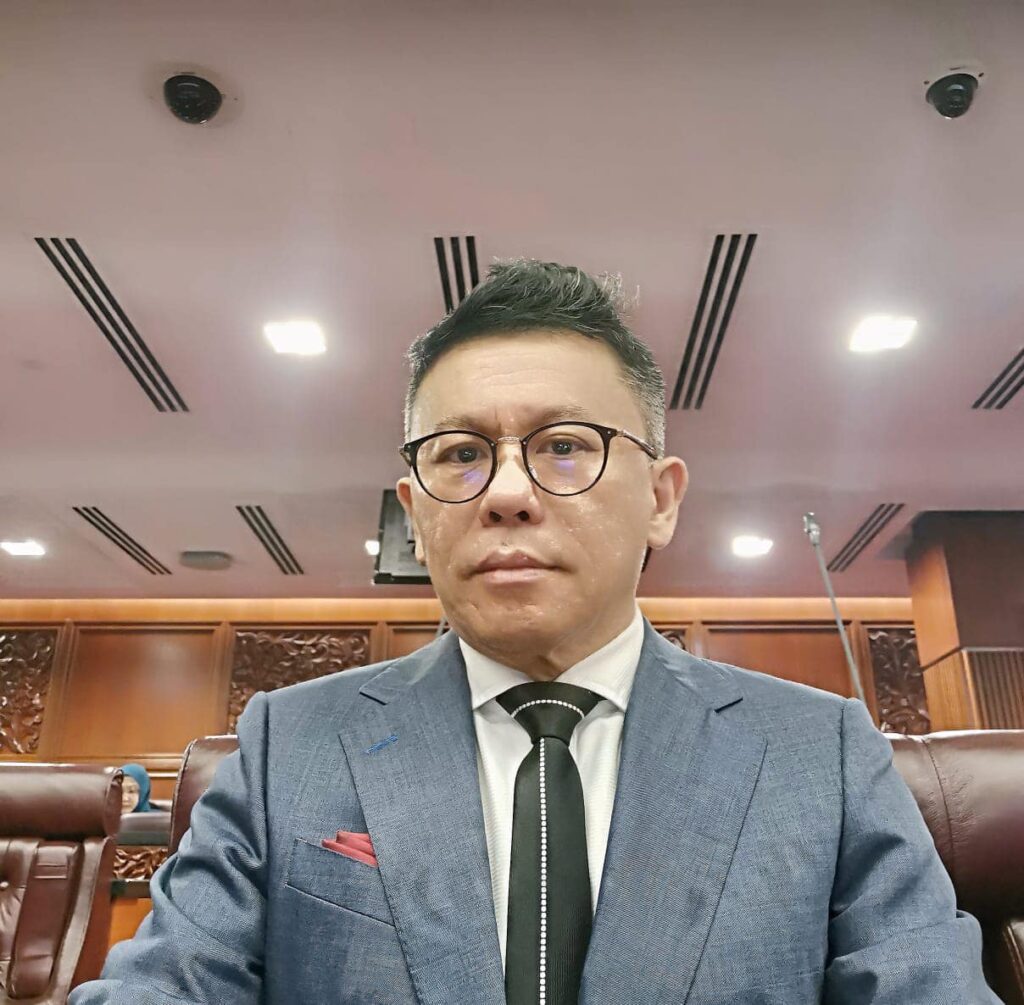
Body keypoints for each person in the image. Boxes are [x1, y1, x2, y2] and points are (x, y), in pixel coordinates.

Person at [72, 260, 1001, 1004]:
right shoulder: (291, 743)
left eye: (564, 445)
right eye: (461, 454)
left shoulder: (818, 751)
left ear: (661, 499)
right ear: (415, 512)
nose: (508, 492)